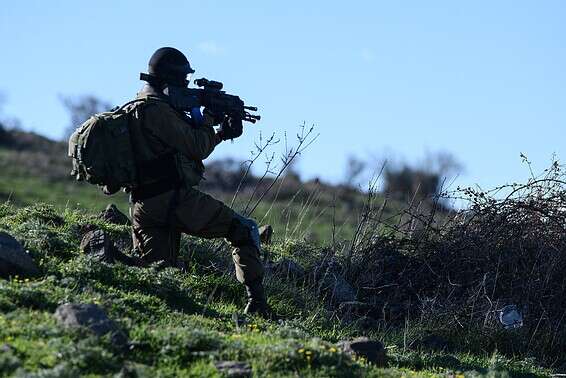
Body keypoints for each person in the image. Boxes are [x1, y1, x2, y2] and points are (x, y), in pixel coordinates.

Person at [129, 47, 269, 317]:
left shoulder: (140, 106)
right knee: (244, 229)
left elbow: (181, 144)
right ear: (170, 79)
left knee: (158, 280)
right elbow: (196, 146)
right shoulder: (157, 111)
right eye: (183, 79)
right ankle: (258, 306)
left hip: (143, 204)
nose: (186, 84)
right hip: (171, 198)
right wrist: (211, 122)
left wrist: (218, 133)